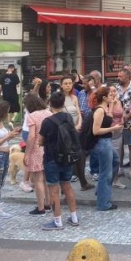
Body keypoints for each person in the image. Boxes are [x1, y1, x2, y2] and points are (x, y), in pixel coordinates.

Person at [38, 92, 80, 228]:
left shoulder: (47, 122)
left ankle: (57, 221)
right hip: (67, 157)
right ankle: (74, 217)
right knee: (67, 186)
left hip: (52, 158)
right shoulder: (68, 117)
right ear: (63, 104)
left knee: (54, 190)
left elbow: (40, 141)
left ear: (50, 104)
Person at [90, 87, 124, 211]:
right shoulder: (99, 110)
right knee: (106, 173)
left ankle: (101, 191)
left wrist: (112, 104)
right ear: (104, 97)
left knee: (115, 161)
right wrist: (113, 129)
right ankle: (103, 203)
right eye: (110, 94)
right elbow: (96, 130)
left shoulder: (105, 108)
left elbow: (108, 117)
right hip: (102, 142)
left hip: (106, 141)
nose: (113, 96)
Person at [23, 93, 52, 215]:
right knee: (46, 178)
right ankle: (48, 203)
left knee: (38, 179)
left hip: (36, 148)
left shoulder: (32, 116)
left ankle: (40, 207)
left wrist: (26, 153)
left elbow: (31, 136)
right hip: (48, 147)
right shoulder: (48, 113)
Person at [0, 101, 18, 220]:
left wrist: (11, 135)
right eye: (8, 111)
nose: (9, 113)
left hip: (5, 155)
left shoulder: (2, 123)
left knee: (0, 182)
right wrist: (8, 136)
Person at [107, 85, 126, 189]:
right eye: (111, 91)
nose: (113, 93)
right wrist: (111, 105)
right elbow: (108, 118)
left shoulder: (119, 101)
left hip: (119, 132)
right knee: (109, 158)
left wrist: (122, 124)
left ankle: (115, 179)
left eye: (114, 91)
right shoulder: (106, 104)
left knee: (117, 158)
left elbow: (121, 114)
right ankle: (108, 180)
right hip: (109, 132)